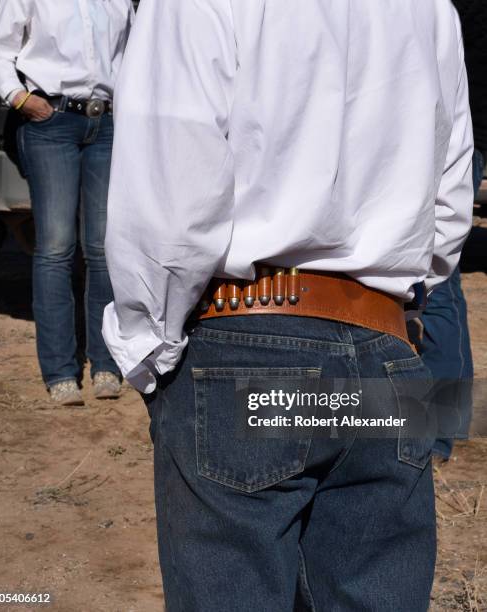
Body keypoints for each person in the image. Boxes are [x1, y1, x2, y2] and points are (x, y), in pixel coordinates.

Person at [103, 1, 473, 610]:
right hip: (387, 348)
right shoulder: (431, 6)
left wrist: (151, 350)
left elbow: (167, 197)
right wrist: (400, 314)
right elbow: (452, 192)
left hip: (243, 341)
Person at [0, 0, 135, 405]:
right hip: (50, 124)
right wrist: (19, 98)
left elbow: (134, 57)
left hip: (108, 126)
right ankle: (60, 371)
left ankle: (106, 363)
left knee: (102, 249)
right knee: (54, 248)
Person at [422, 0, 487, 460]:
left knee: (438, 283)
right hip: (451, 131)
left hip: (449, 132)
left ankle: (442, 433)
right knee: (442, 277)